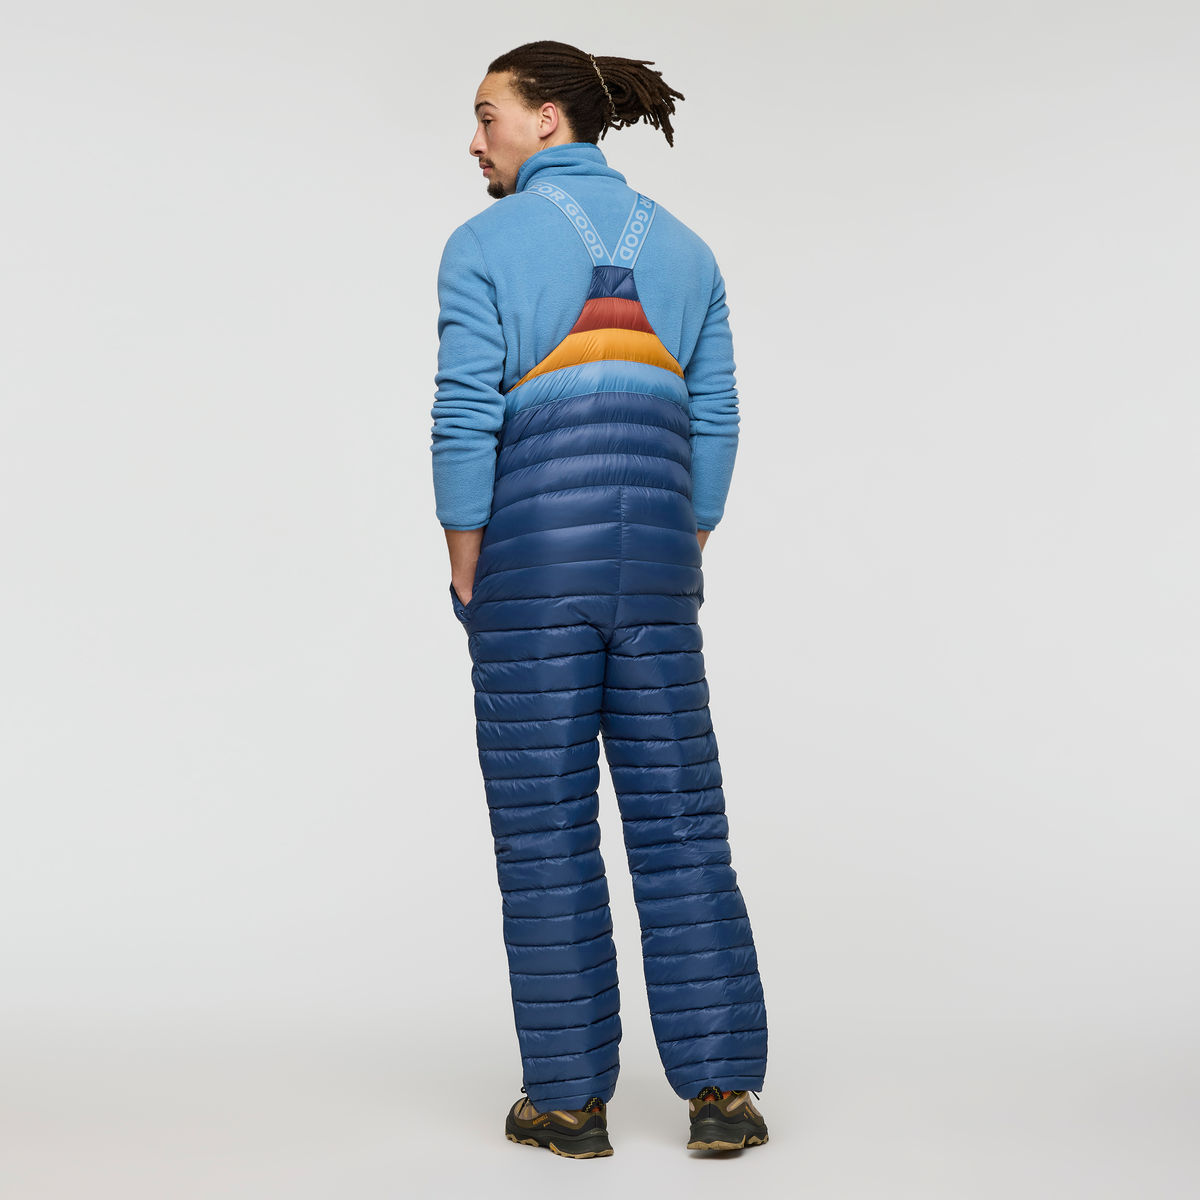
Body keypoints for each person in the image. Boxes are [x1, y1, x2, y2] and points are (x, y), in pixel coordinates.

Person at [431, 40, 768, 1158]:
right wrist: (681, 538)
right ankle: (723, 1096)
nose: (474, 140)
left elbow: (464, 411)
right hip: (660, 569)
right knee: (682, 821)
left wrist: (466, 558)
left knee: (546, 833)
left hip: (530, 571)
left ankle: (569, 1104)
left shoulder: (483, 244)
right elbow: (716, 418)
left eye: (488, 115)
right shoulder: (688, 248)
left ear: (548, 120)